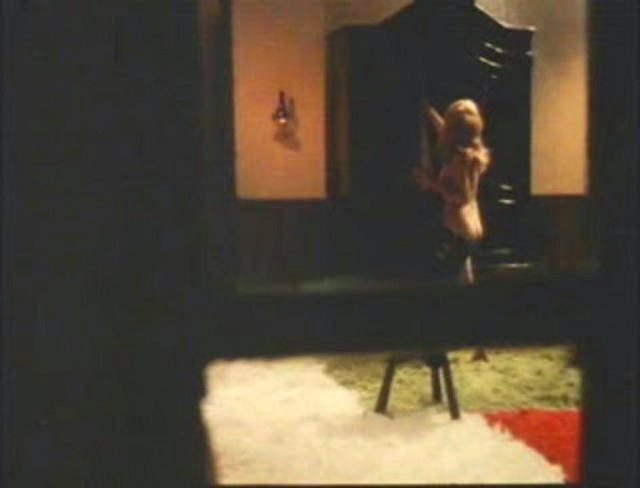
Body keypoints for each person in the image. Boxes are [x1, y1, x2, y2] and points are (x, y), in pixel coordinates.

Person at [413, 99, 491, 362]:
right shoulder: (473, 152)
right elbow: (446, 131)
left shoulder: (458, 161)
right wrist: (431, 114)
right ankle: (480, 344)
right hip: (471, 228)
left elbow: (461, 196)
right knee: (466, 287)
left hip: (458, 229)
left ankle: (439, 345)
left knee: (443, 288)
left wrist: (431, 184)